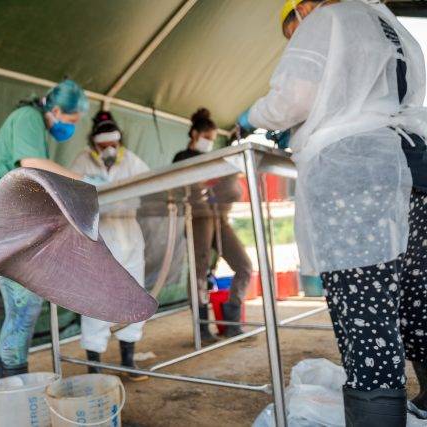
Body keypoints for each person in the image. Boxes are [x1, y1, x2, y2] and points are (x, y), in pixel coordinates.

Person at [237, 1, 427, 425]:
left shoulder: (327, 17)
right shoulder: (387, 23)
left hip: (359, 174)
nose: (295, 37)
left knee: (365, 312)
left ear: (302, 7)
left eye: (292, 31)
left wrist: (253, 116)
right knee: (416, 300)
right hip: (411, 170)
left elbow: (295, 96)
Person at [0, 79, 96, 378]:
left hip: (11, 227)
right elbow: (32, 163)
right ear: (57, 110)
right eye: (71, 120)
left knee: (24, 307)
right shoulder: (28, 118)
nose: (71, 127)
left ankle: (12, 373)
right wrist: (82, 181)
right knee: (24, 308)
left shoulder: (35, 125)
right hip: (2, 229)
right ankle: (13, 379)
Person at [70, 111, 150, 381]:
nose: (108, 150)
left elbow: (151, 185)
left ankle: (128, 361)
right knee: (96, 299)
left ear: (119, 142)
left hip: (129, 235)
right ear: (94, 144)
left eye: (112, 145)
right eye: (103, 146)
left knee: (133, 296)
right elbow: (70, 190)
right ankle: (94, 367)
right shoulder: (82, 160)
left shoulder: (132, 160)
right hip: (98, 236)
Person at [173, 108, 250, 341]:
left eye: (213, 139)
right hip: (197, 217)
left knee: (244, 265)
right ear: (195, 134)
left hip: (219, 216)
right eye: (207, 137)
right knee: (199, 269)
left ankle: (231, 319)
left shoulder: (215, 158)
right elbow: (182, 189)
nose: (210, 142)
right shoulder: (182, 158)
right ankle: (203, 327)